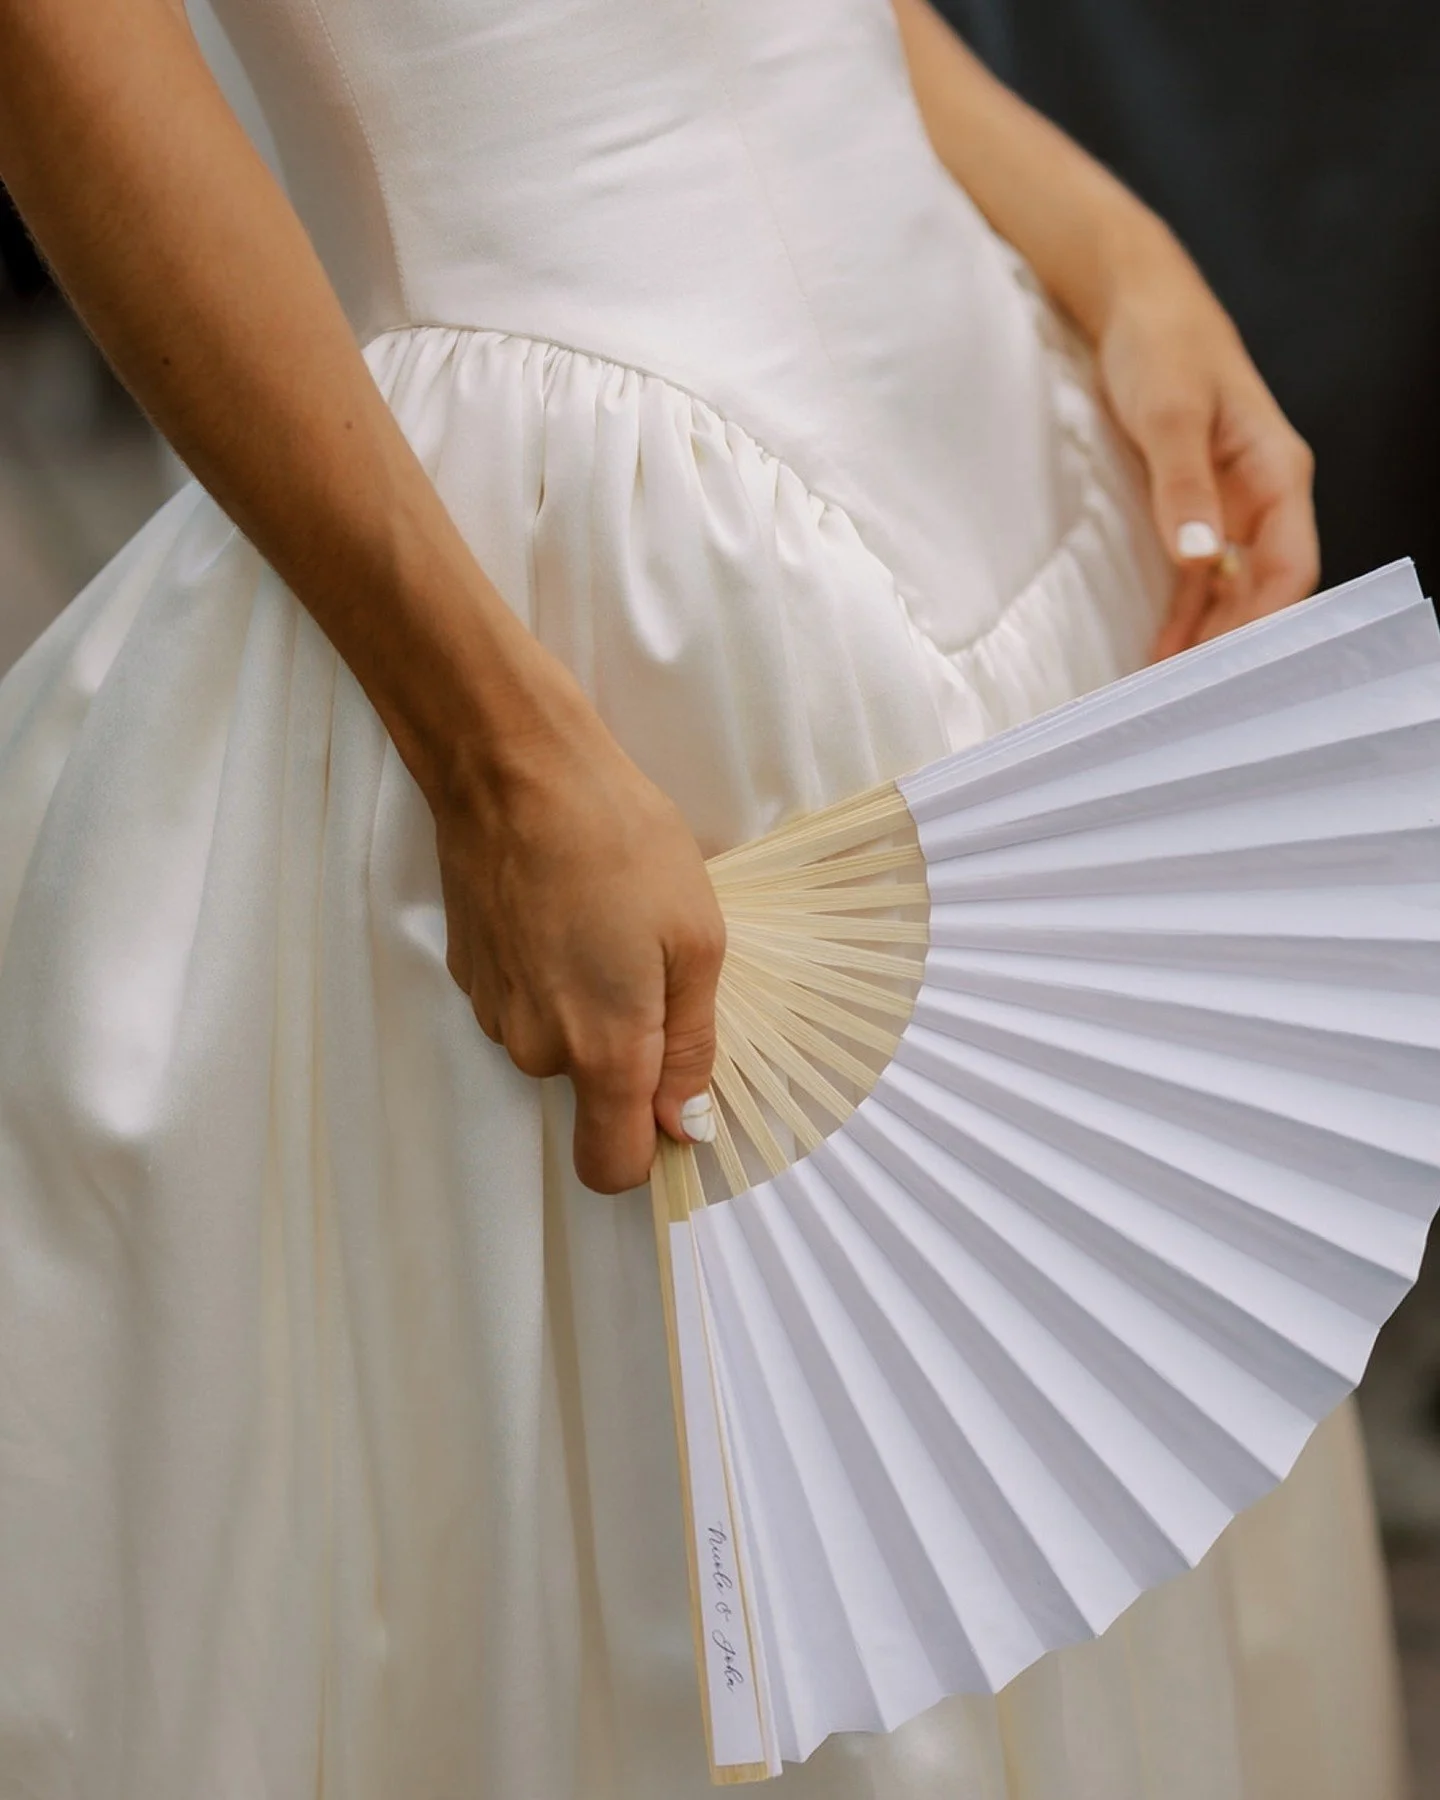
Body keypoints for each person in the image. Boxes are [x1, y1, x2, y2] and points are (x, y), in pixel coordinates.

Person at [0, 2, 1405, 1797]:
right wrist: (493, 748)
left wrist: (1119, 255)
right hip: (594, 618)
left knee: (1103, 1457)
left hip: (1018, 442)